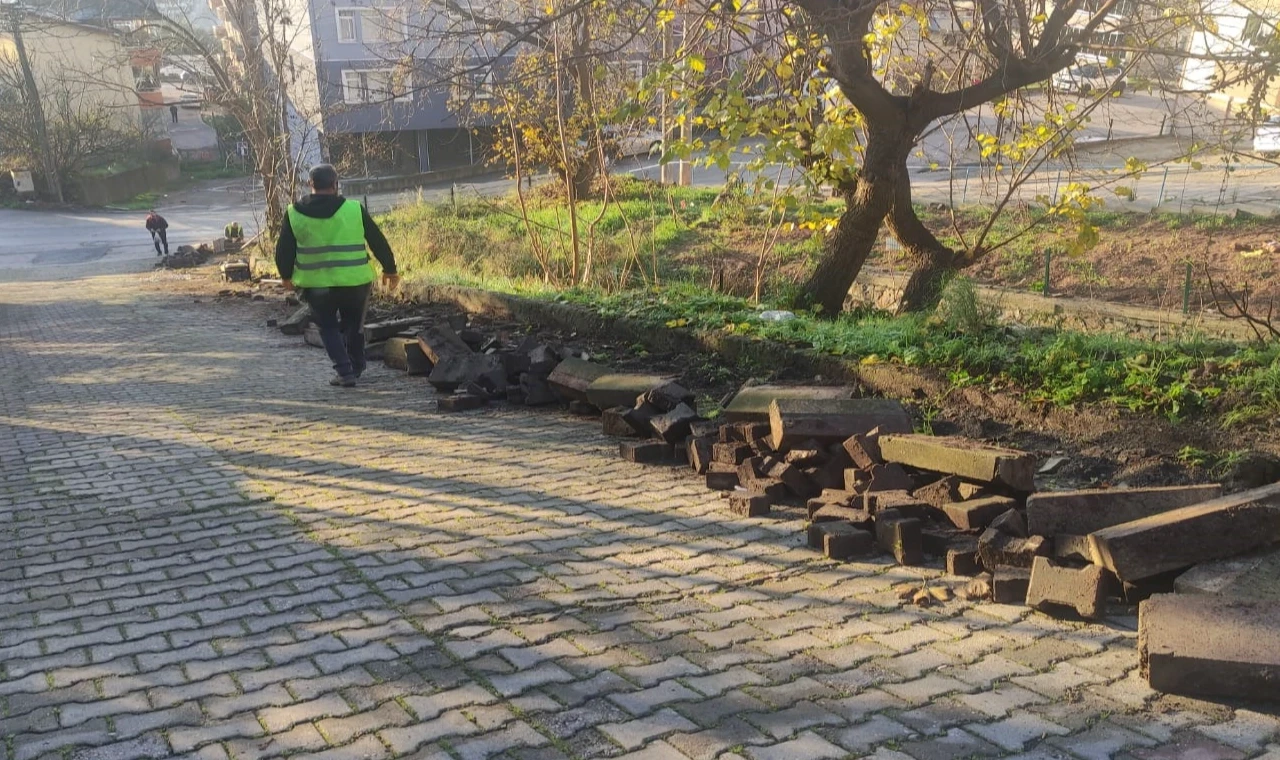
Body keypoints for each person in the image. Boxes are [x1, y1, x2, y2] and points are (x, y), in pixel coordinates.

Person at [275, 164, 398, 387]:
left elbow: (284, 249)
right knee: (354, 325)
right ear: (335, 184)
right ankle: (357, 365)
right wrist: (390, 268)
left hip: (317, 285)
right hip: (355, 282)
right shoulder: (353, 209)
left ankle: (344, 371)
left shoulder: (294, 213)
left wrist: (285, 276)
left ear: (310, 185)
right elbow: (377, 240)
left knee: (328, 327)